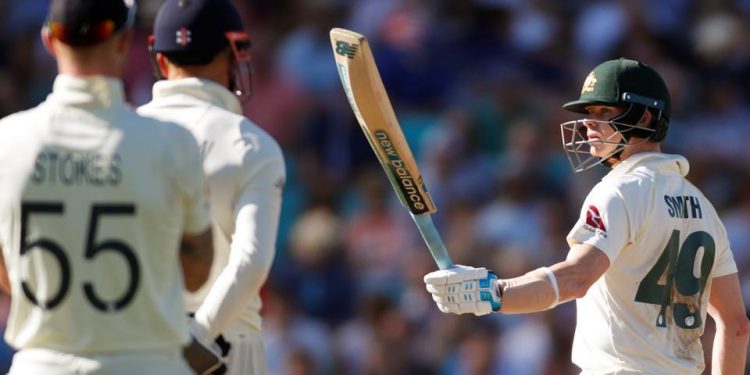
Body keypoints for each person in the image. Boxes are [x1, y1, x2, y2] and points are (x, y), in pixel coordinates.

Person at [423, 58, 750, 374]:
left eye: (605, 111)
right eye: (589, 112)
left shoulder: (619, 190)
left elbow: (576, 278)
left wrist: (490, 293)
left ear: (647, 117)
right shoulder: (704, 207)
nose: (589, 123)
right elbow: (736, 326)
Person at [0, 0, 222, 374]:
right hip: (148, 364)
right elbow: (197, 272)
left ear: (49, 42)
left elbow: (5, 268)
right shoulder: (171, 144)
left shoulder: (7, 141)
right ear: (124, 41)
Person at [138, 0, 286, 374]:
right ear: (235, 55)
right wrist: (195, 338)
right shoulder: (252, 145)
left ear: (160, 60)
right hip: (223, 347)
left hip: (136, 343)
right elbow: (251, 259)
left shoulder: (121, 136)